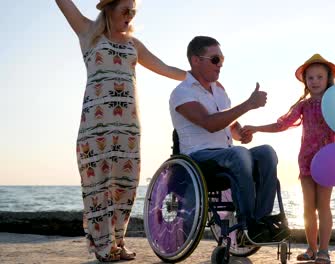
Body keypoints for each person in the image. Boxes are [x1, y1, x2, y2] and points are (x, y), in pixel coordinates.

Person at [55, 0, 186, 262]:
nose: (130, 16)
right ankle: (103, 247)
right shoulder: (88, 33)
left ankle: (117, 243)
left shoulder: (133, 45)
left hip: (128, 128)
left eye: (133, 12)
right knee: (98, 186)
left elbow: (165, 68)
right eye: (124, 10)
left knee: (125, 187)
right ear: (109, 9)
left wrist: (197, 77)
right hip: (95, 128)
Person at [169, 36, 289, 244]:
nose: (220, 65)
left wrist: (241, 133)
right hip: (197, 159)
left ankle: (260, 221)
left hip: (228, 154)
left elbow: (228, 124)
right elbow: (209, 123)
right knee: (239, 154)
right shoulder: (181, 93)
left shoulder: (219, 91)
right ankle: (248, 222)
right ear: (196, 60)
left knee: (267, 152)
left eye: (222, 59)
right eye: (215, 59)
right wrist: (249, 104)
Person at [242, 54, 335, 263]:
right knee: (308, 207)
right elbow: (282, 124)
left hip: (327, 160)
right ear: (305, 81)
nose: (314, 81)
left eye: (319, 77)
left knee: (323, 205)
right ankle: (311, 249)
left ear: (328, 80)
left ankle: (324, 250)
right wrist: (257, 128)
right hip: (306, 159)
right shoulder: (304, 106)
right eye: (310, 78)